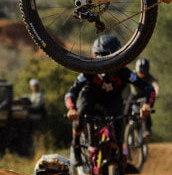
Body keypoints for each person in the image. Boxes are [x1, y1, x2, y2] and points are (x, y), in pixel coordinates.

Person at [65, 35, 155, 167]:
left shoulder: (125, 72)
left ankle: (117, 152)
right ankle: (75, 145)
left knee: (117, 124)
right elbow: (71, 92)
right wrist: (72, 109)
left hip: (113, 99)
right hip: (90, 97)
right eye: (101, 57)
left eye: (109, 56)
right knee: (81, 114)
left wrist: (147, 104)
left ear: (118, 56)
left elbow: (148, 88)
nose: (105, 61)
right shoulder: (88, 72)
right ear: (94, 56)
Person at [127, 57, 159, 137]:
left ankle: (147, 129)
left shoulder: (149, 77)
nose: (141, 75)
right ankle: (127, 129)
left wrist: (157, 92)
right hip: (134, 95)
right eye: (140, 73)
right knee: (126, 109)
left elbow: (155, 85)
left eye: (144, 73)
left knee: (145, 109)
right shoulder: (132, 74)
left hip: (144, 95)